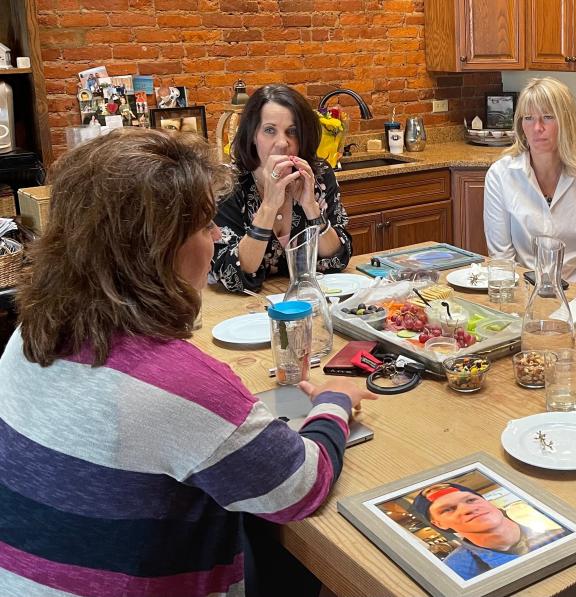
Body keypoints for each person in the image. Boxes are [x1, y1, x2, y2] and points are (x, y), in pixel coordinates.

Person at [0, 128, 376, 596]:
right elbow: (301, 485)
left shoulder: (29, 333)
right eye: (203, 226)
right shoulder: (175, 384)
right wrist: (335, 404)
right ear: (157, 251)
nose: (217, 234)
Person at [211, 83, 352, 293]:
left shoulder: (319, 174)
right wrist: (268, 206)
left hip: (304, 300)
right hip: (240, 311)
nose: (282, 143)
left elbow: (337, 257)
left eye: (292, 131)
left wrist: (311, 207)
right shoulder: (227, 183)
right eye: (269, 130)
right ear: (252, 136)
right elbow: (232, 274)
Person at [483, 77, 576, 289]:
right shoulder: (500, 176)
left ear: (567, 122)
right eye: (528, 118)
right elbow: (502, 260)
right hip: (520, 292)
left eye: (547, 117)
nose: (537, 127)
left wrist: (572, 304)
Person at [412, 482, 570, 581]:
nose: (467, 508)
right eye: (448, 510)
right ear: (438, 524)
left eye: (471, 500)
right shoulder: (454, 571)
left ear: (488, 502)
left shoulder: (561, 527)